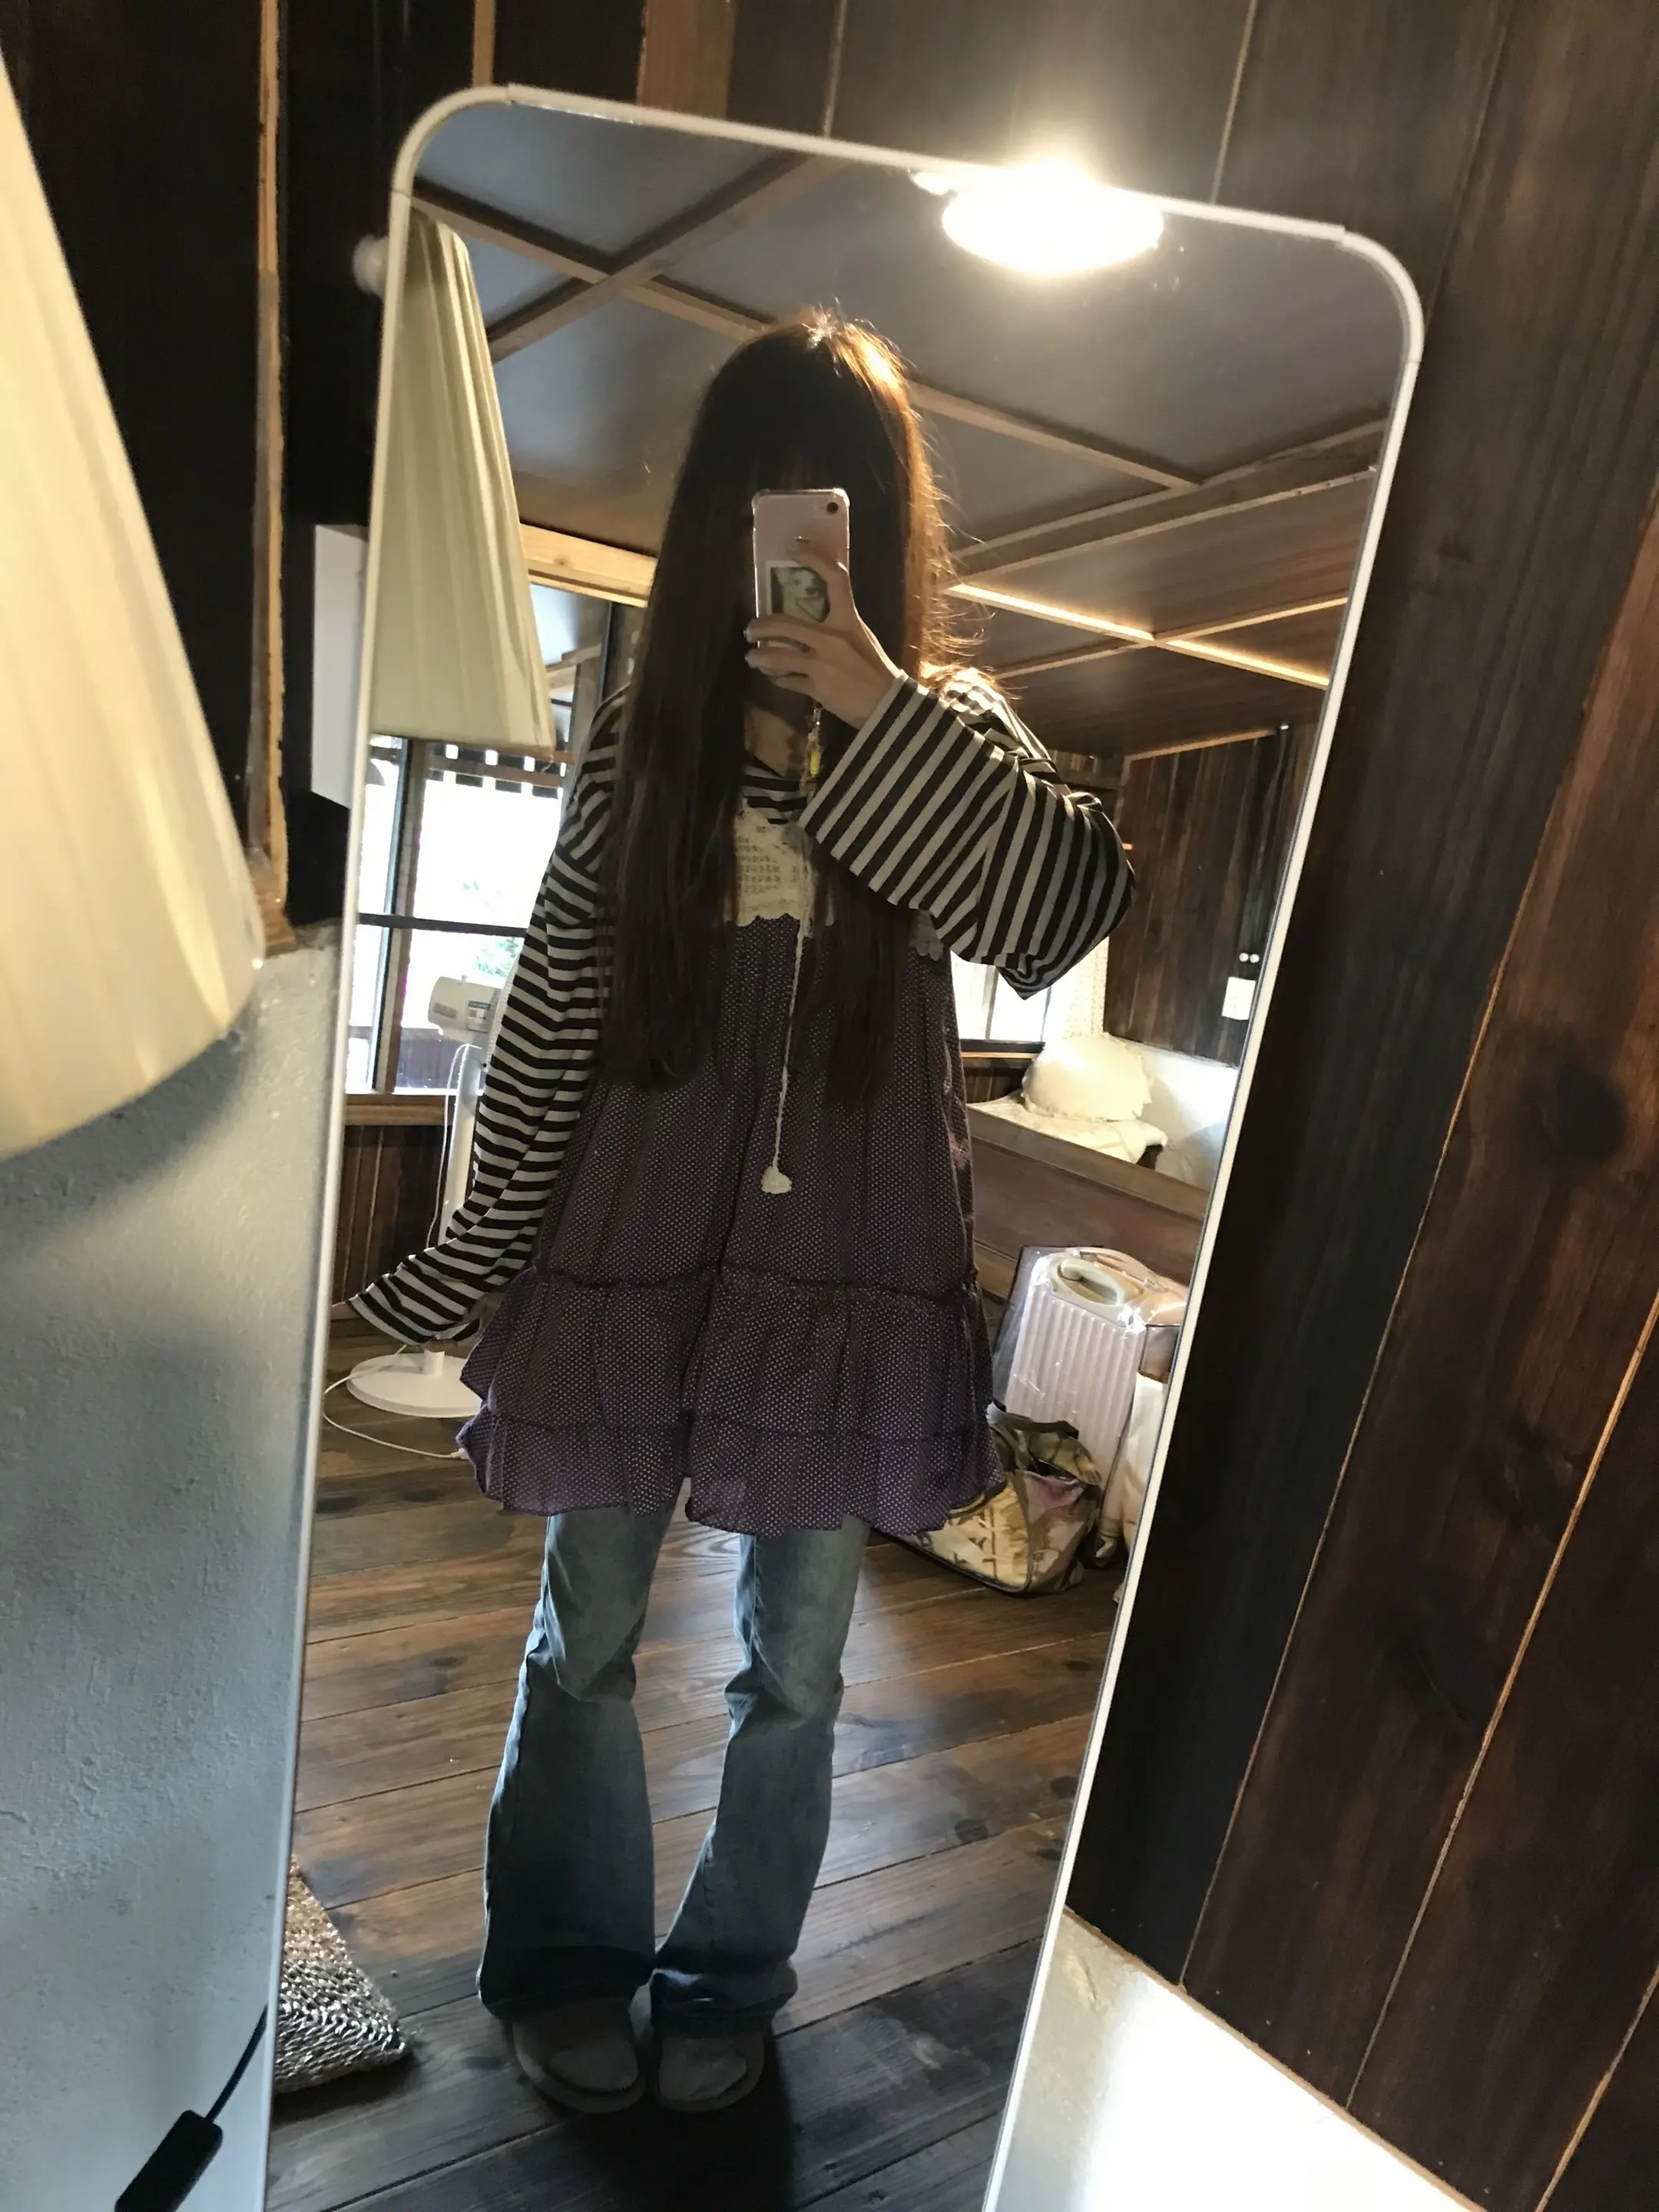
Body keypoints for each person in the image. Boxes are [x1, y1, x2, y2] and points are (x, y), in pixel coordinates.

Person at [347, 312, 1133, 2115]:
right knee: (587, 1631)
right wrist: (476, 1255)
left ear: (878, 530)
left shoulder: (950, 731)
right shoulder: (657, 734)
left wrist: (875, 701)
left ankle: (726, 1981)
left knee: (800, 1669)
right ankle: (565, 1960)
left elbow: (1060, 912)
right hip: (635, 1237)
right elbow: (556, 1003)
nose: (792, 541)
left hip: (845, 1268)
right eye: (765, 501)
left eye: (833, 503)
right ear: (717, 518)